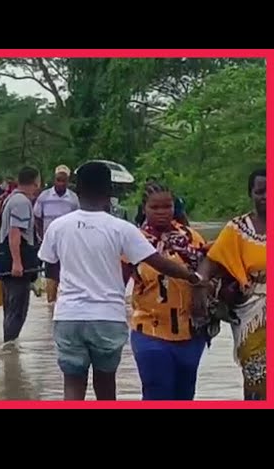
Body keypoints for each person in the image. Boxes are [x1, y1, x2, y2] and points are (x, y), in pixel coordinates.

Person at [37, 161, 206, 401]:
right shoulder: (122, 229)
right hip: (107, 316)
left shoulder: (58, 226)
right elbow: (157, 261)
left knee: (73, 385)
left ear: (77, 190)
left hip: (68, 316)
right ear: (110, 191)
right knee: (106, 385)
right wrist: (193, 277)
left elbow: (50, 266)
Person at [124, 181, 208, 400]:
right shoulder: (133, 241)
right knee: (156, 392)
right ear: (144, 209)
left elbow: (208, 274)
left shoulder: (192, 238)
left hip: (190, 332)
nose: (162, 212)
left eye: (167, 206)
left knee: (184, 395)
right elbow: (117, 282)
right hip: (149, 330)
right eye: (155, 207)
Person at [193, 168, 266, 400]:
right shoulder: (237, 229)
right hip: (251, 312)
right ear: (250, 194)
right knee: (256, 375)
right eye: (260, 191)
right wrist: (199, 288)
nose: (265, 196)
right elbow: (210, 262)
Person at [0, 166, 41, 345]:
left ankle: (9, 347)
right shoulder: (21, 202)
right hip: (16, 265)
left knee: (11, 310)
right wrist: (18, 263)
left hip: (7, 262)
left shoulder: (11, 198)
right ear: (36, 182)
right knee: (17, 311)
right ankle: (9, 348)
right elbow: (15, 233)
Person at [33, 165, 79, 303]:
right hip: (50, 244)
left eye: (64, 181)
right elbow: (37, 217)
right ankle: (50, 305)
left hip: (69, 245)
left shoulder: (73, 199)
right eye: (58, 180)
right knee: (51, 277)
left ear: (68, 181)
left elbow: (79, 219)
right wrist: (42, 236)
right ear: (54, 180)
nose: (61, 183)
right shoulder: (44, 196)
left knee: (68, 278)